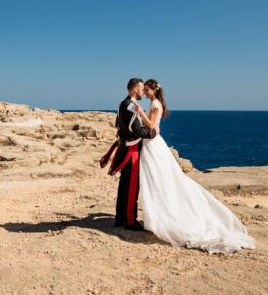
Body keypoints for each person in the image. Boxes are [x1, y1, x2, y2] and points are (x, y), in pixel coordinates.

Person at [132, 79, 256, 254]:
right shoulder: (155, 102)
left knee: (159, 179)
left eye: (146, 89)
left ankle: (165, 217)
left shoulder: (154, 104)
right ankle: (156, 217)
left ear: (153, 90)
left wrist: (139, 112)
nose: (144, 92)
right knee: (155, 180)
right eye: (143, 89)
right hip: (151, 144)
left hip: (152, 145)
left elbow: (151, 125)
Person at [99, 78, 157, 230]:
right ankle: (130, 221)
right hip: (131, 151)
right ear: (133, 89)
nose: (142, 91)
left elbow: (118, 124)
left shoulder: (121, 103)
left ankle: (120, 217)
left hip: (124, 147)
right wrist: (152, 133)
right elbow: (137, 130)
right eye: (140, 88)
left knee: (124, 184)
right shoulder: (131, 105)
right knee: (131, 185)